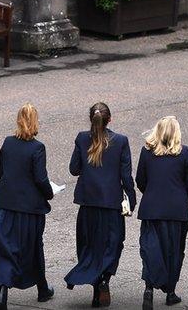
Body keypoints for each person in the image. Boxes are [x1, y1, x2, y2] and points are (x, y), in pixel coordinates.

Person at [64, 102, 137, 307]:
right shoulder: (121, 141)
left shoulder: (82, 138)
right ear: (110, 119)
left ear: (91, 119)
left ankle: (96, 286)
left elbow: (74, 169)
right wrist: (131, 199)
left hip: (88, 203)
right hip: (111, 203)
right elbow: (126, 176)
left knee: (89, 246)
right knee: (112, 245)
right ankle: (104, 280)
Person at [0, 103, 56, 310]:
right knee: (33, 247)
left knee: (4, 247)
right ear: (35, 122)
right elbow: (41, 179)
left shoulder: (8, 143)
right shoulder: (37, 147)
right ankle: (42, 288)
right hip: (29, 208)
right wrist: (49, 193)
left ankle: (3, 292)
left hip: (6, 204)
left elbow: (1, 173)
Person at [135, 116, 188, 310]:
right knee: (174, 250)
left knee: (151, 248)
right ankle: (170, 292)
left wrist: (152, 194)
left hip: (152, 209)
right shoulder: (185, 153)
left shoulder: (147, 153)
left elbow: (140, 180)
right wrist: (186, 202)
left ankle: (149, 287)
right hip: (177, 210)